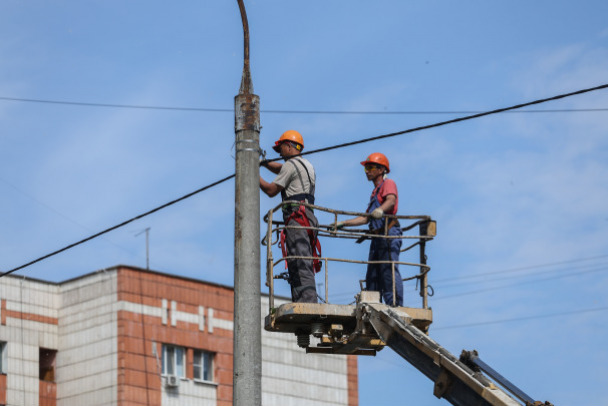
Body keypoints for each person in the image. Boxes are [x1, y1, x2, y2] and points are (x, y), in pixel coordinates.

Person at [334, 153, 403, 306]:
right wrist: (343, 223)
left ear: (381, 169)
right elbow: (365, 218)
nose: (367, 171)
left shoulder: (388, 183)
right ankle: (373, 304)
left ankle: (395, 305)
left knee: (388, 271)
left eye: (370, 167)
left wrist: (381, 210)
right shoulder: (375, 192)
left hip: (388, 233)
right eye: (366, 168)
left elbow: (391, 200)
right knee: (372, 274)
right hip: (378, 238)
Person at [260, 130, 320, 303]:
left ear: (288, 146)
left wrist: (253, 176)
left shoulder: (289, 166)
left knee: (299, 261)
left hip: (296, 218)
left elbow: (272, 190)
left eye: (280, 149)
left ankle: (306, 302)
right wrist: (265, 164)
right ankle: (305, 299)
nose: (279, 154)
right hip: (308, 217)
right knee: (303, 258)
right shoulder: (306, 165)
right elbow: (281, 168)